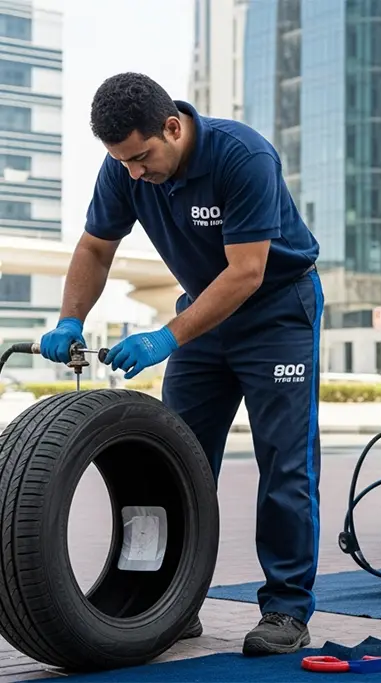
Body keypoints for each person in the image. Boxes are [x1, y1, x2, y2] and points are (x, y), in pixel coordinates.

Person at [39, 72, 324, 656]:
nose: (135, 173)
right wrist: (71, 317)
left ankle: (287, 610)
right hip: (203, 310)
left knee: (284, 463)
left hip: (274, 310)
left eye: (142, 157)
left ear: (174, 127)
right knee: (174, 461)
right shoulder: (126, 169)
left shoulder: (242, 156)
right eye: (124, 163)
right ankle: (174, 598)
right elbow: (96, 247)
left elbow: (246, 272)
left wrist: (164, 338)